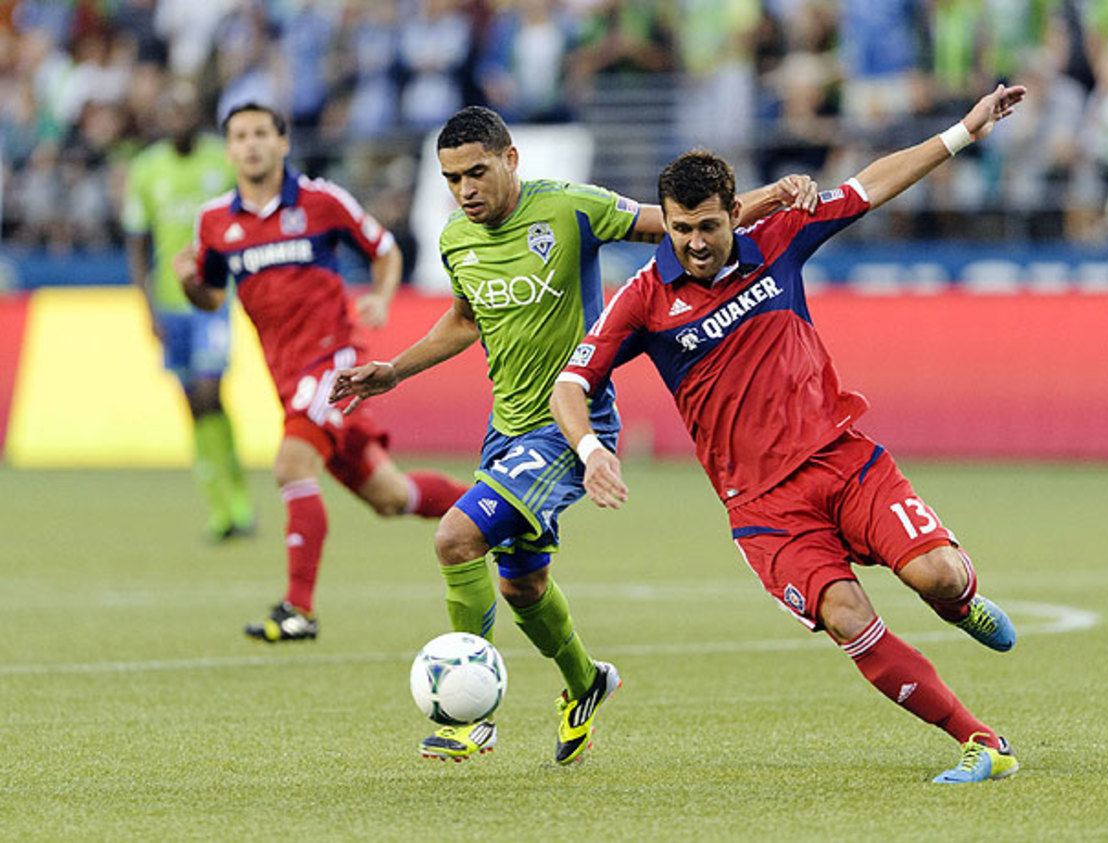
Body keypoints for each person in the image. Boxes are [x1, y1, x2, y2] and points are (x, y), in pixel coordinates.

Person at [550, 84, 1027, 784]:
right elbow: (570, 383)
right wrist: (591, 451)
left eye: (708, 226)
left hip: (843, 459)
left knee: (937, 575)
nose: (695, 243)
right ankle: (981, 741)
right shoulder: (644, 299)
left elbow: (869, 187)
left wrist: (963, 132)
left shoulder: (778, 238)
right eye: (680, 229)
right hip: (764, 509)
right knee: (848, 617)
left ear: (734, 212)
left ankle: (961, 601)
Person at [328, 105, 820, 764]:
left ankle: (473, 719)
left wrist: (772, 197)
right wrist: (394, 370)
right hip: (506, 430)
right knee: (522, 587)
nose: (466, 189)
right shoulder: (456, 238)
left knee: (455, 537)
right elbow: (465, 320)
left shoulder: (570, 208)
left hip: (569, 424)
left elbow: (672, 223)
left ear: (511, 159)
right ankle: (586, 683)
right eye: (452, 179)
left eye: (477, 172)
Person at [174, 101, 470, 644]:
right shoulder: (215, 222)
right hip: (286, 377)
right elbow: (211, 297)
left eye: (261, 133)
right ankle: (501, 513)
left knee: (291, 464)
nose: (251, 144)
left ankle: (298, 610)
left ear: (283, 142)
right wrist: (190, 283)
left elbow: (384, 250)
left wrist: (381, 297)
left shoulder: (320, 201)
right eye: (240, 136)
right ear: (229, 149)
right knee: (391, 497)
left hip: (334, 362)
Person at [122, 81, 255, 544]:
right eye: (171, 112)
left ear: (198, 116)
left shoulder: (222, 162)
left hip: (211, 300)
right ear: (162, 119)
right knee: (192, 403)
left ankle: (238, 499)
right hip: (169, 302)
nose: (178, 120)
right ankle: (221, 508)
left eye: (186, 111)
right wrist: (147, 307)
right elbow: (137, 241)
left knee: (208, 390)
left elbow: (249, 219)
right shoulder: (146, 168)